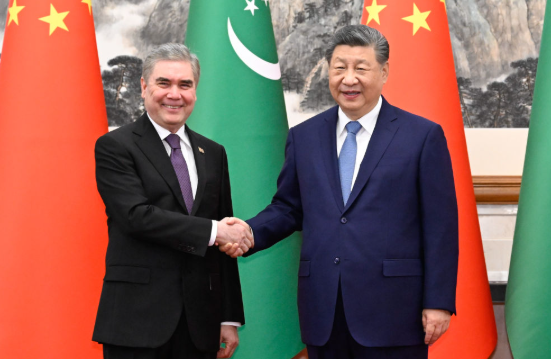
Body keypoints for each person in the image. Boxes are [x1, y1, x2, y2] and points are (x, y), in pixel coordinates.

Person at [222, 25, 458, 359]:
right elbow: (288, 208)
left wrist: (438, 302)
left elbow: (441, 227)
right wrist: (248, 231)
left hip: (394, 311)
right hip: (324, 310)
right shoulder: (304, 137)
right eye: (339, 68)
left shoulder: (421, 136)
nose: (349, 79)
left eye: (361, 68)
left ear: (384, 72)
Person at [92, 43, 253, 359]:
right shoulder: (115, 146)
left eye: (185, 84)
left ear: (195, 91)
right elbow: (135, 216)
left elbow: (223, 238)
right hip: (136, 322)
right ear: (144, 87)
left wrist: (229, 316)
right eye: (163, 83)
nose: (174, 94)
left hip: (200, 325)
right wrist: (215, 231)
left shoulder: (213, 153)